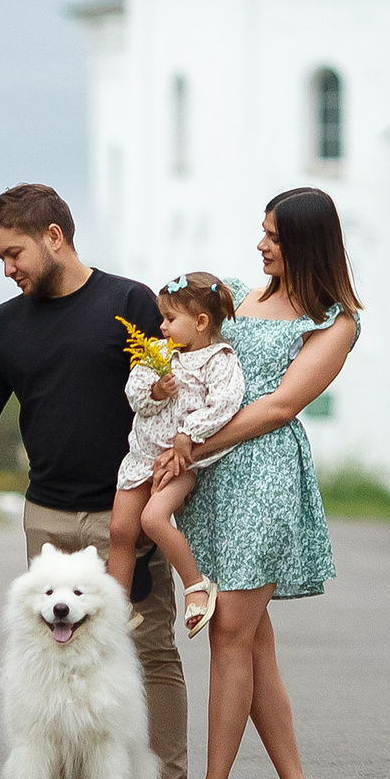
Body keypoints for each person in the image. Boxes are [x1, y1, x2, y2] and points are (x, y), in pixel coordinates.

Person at [0, 183, 195, 779]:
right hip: (49, 520)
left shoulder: (130, 304)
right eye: (2, 258)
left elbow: (182, 394)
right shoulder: (7, 325)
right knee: (54, 662)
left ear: (54, 237)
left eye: (15, 254)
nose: (8, 268)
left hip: (127, 511)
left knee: (148, 650)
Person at [157, 186, 358, 779]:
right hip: (212, 479)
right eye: (262, 231)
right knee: (252, 643)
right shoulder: (238, 295)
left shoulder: (334, 323)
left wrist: (193, 445)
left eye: (274, 235)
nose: (260, 244)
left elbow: (278, 407)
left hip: (265, 475)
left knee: (228, 633)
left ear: (305, 243)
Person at [107, 274, 244, 639]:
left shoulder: (219, 360)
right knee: (120, 530)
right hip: (141, 457)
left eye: (170, 319)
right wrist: (155, 391)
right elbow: (134, 393)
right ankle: (115, 610)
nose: (162, 326)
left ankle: (195, 585)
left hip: (179, 463)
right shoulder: (158, 353)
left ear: (201, 322)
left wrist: (188, 434)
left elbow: (225, 404)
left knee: (153, 519)